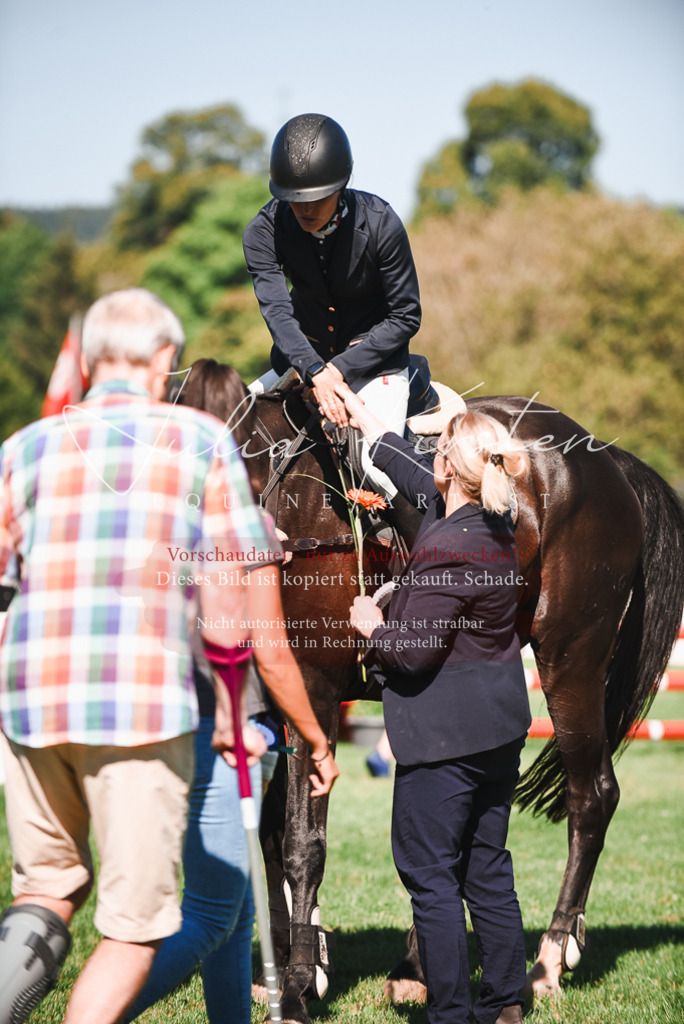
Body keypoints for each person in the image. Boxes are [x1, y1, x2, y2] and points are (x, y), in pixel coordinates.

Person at [0, 288, 283, 1024]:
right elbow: (226, 595)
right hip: (140, 704)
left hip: (28, 705)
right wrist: (228, 709)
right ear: (163, 358)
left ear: (91, 359)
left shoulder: (20, 448)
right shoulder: (199, 440)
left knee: (46, 891)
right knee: (136, 925)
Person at [126, 358, 338, 1024]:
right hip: (228, 731)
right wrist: (317, 739)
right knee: (213, 912)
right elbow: (273, 657)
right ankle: (101, 1009)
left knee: (235, 900)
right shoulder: (243, 524)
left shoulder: (146, 514)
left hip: (154, 721)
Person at [336, 383, 532, 1024]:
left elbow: (411, 654)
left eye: (438, 446)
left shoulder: (447, 546)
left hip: (447, 740)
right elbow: (412, 474)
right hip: (498, 731)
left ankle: (451, 1013)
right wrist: (366, 423)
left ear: (450, 464)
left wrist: (372, 623)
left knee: (429, 873)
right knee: (487, 868)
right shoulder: (494, 522)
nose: (430, 454)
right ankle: (506, 999)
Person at [243, 112, 422, 497]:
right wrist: (314, 370)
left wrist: (336, 370)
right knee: (233, 430)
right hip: (299, 362)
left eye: (317, 199)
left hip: (374, 362)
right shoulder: (262, 231)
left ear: (341, 186)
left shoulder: (382, 224)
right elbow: (277, 310)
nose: (305, 210)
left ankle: (416, 552)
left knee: (383, 474)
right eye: (293, 201)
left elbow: (406, 315)